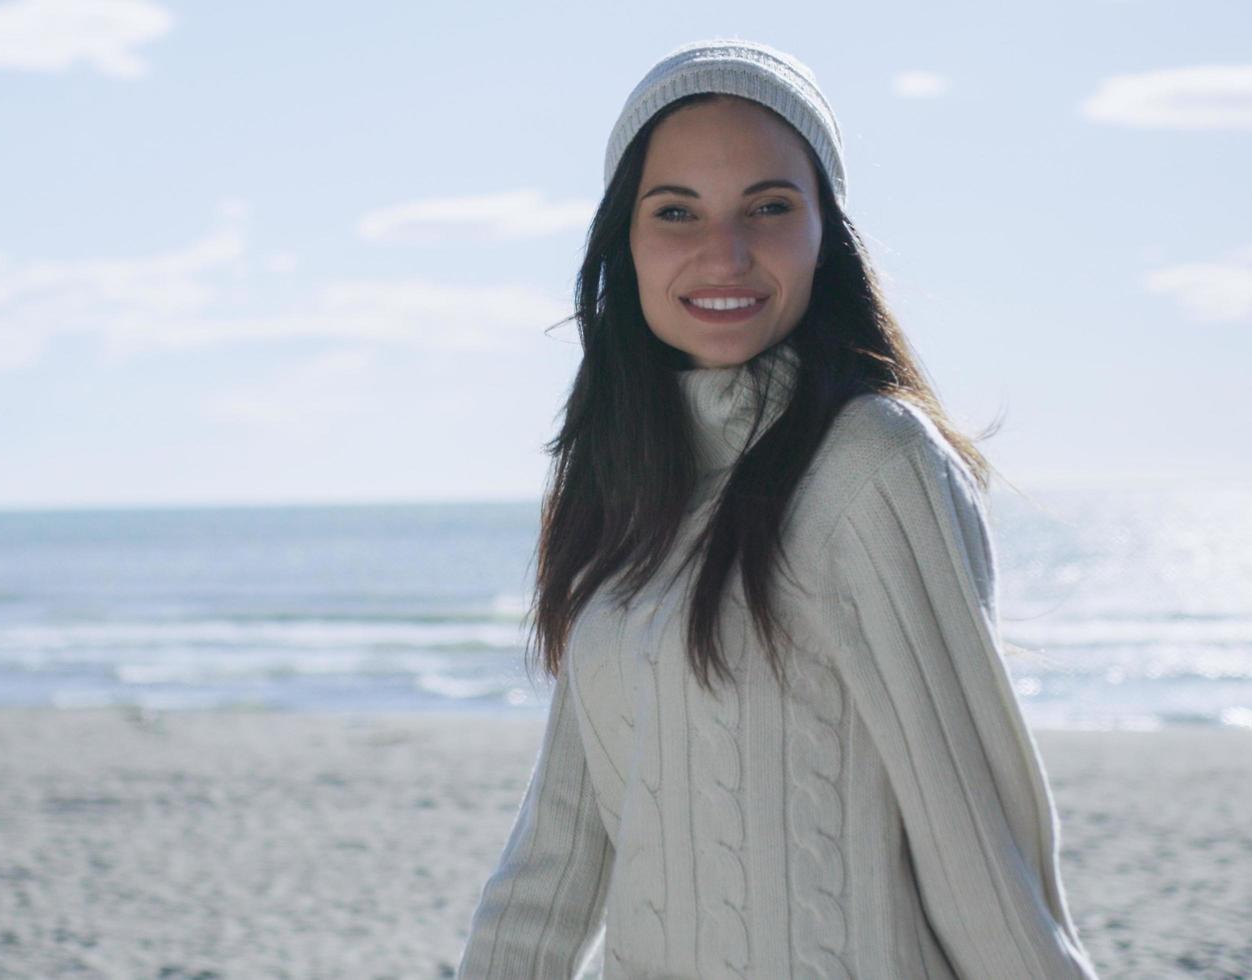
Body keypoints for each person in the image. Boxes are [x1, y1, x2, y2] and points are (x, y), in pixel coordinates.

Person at [454, 39, 1101, 979]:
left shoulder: (875, 465)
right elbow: (554, 858)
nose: (727, 252)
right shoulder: (628, 486)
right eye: (676, 211)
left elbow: (978, 857)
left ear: (824, 234)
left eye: (768, 206)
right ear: (624, 242)